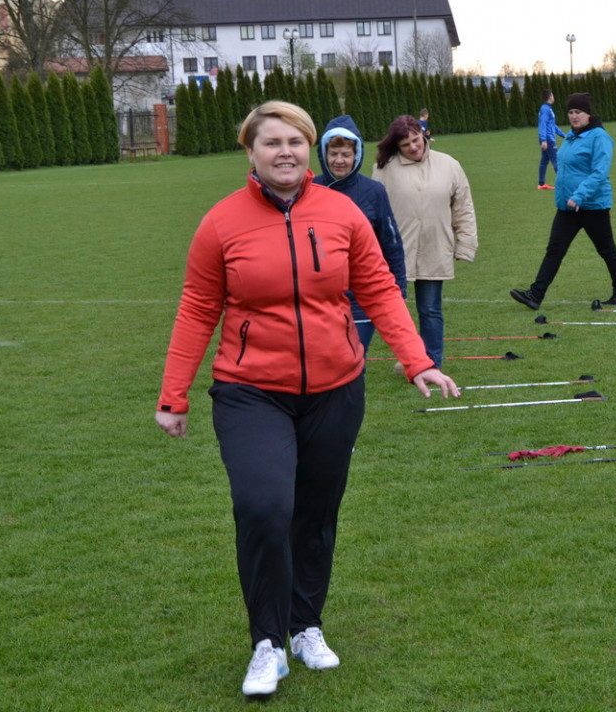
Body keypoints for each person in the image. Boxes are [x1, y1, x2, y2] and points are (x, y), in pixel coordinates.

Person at [154, 101, 459, 699]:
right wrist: (174, 395)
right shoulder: (221, 222)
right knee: (264, 508)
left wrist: (416, 358)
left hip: (335, 389)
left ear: (311, 148)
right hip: (250, 392)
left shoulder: (342, 213)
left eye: (295, 141)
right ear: (251, 151)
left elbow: (378, 288)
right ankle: (267, 643)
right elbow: (196, 309)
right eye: (272, 143)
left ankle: (305, 625)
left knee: (315, 516)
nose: (285, 152)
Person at [372, 115, 478, 368]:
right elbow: (373, 213)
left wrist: (465, 243)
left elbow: (463, 207)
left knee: (430, 309)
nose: (413, 147)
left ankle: (433, 361)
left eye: (416, 140)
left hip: (435, 247)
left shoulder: (449, 165)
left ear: (424, 135)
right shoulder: (384, 169)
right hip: (397, 252)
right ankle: (411, 358)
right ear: (397, 146)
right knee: (397, 311)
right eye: (406, 144)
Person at [510, 92, 616, 310]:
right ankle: (535, 295)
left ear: (588, 114)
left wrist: (579, 195)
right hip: (567, 207)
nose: (574, 116)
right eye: (571, 112)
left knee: (607, 250)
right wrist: (565, 197)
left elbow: (599, 172)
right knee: (554, 250)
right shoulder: (572, 136)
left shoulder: (599, 137)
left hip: (592, 205)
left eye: (579, 112)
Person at [314, 113, 407, 353]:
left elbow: (391, 243)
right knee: (323, 363)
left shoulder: (374, 191)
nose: (339, 161)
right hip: (318, 301)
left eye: (346, 154)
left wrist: (399, 291)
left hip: (361, 301)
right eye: (333, 154)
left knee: (353, 360)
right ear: (324, 154)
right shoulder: (309, 190)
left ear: (357, 155)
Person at [537, 89, 565, 189]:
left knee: (544, 161)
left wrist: (563, 135)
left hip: (547, 138)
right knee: (556, 160)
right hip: (548, 139)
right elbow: (543, 124)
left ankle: (541, 184)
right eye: (553, 95)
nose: (554, 97)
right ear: (550, 97)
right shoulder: (545, 109)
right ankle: (563, 184)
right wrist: (544, 139)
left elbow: (552, 125)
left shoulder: (548, 109)